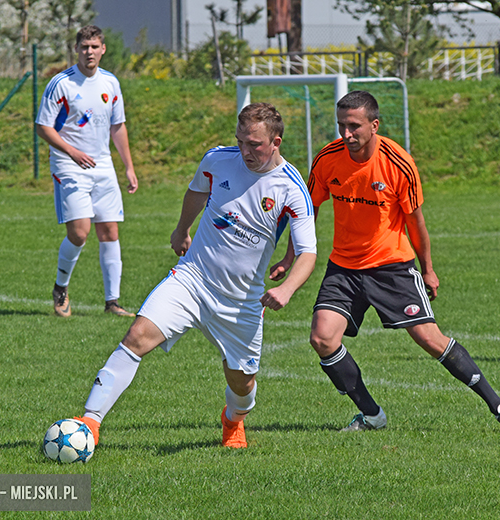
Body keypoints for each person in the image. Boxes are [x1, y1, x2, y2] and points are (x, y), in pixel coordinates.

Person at [271, 91, 500, 433]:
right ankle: (372, 415)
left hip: (392, 267)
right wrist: (290, 257)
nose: (346, 134)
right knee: (322, 338)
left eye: (354, 126)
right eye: (341, 125)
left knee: (430, 339)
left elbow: (415, 222)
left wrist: (429, 269)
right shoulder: (327, 159)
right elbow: (307, 210)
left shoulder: (397, 162)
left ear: (374, 125)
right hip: (344, 267)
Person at [74, 103, 317, 449]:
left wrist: (288, 289)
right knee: (137, 336)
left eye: (255, 144)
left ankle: (233, 420)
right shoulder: (218, 160)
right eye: (241, 141)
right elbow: (197, 192)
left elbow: (308, 252)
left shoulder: (292, 188)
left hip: (241, 301)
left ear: (276, 141)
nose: (245, 151)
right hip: (192, 279)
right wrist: (181, 229)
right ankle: (89, 424)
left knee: (242, 383)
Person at [36, 25, 139, 318]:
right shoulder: (61, 84)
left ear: (103, 49)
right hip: (69, 165)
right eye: (84, 47)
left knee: (109, 230)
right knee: (80, 233)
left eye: (94, 47)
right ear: (76, 50)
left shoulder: (111, 83)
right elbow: (43, 126)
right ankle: (61, 288)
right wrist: (73, 152)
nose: (89, 52)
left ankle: (113, 302)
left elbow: (117, 127)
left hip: (103, 165)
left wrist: (128, 167)